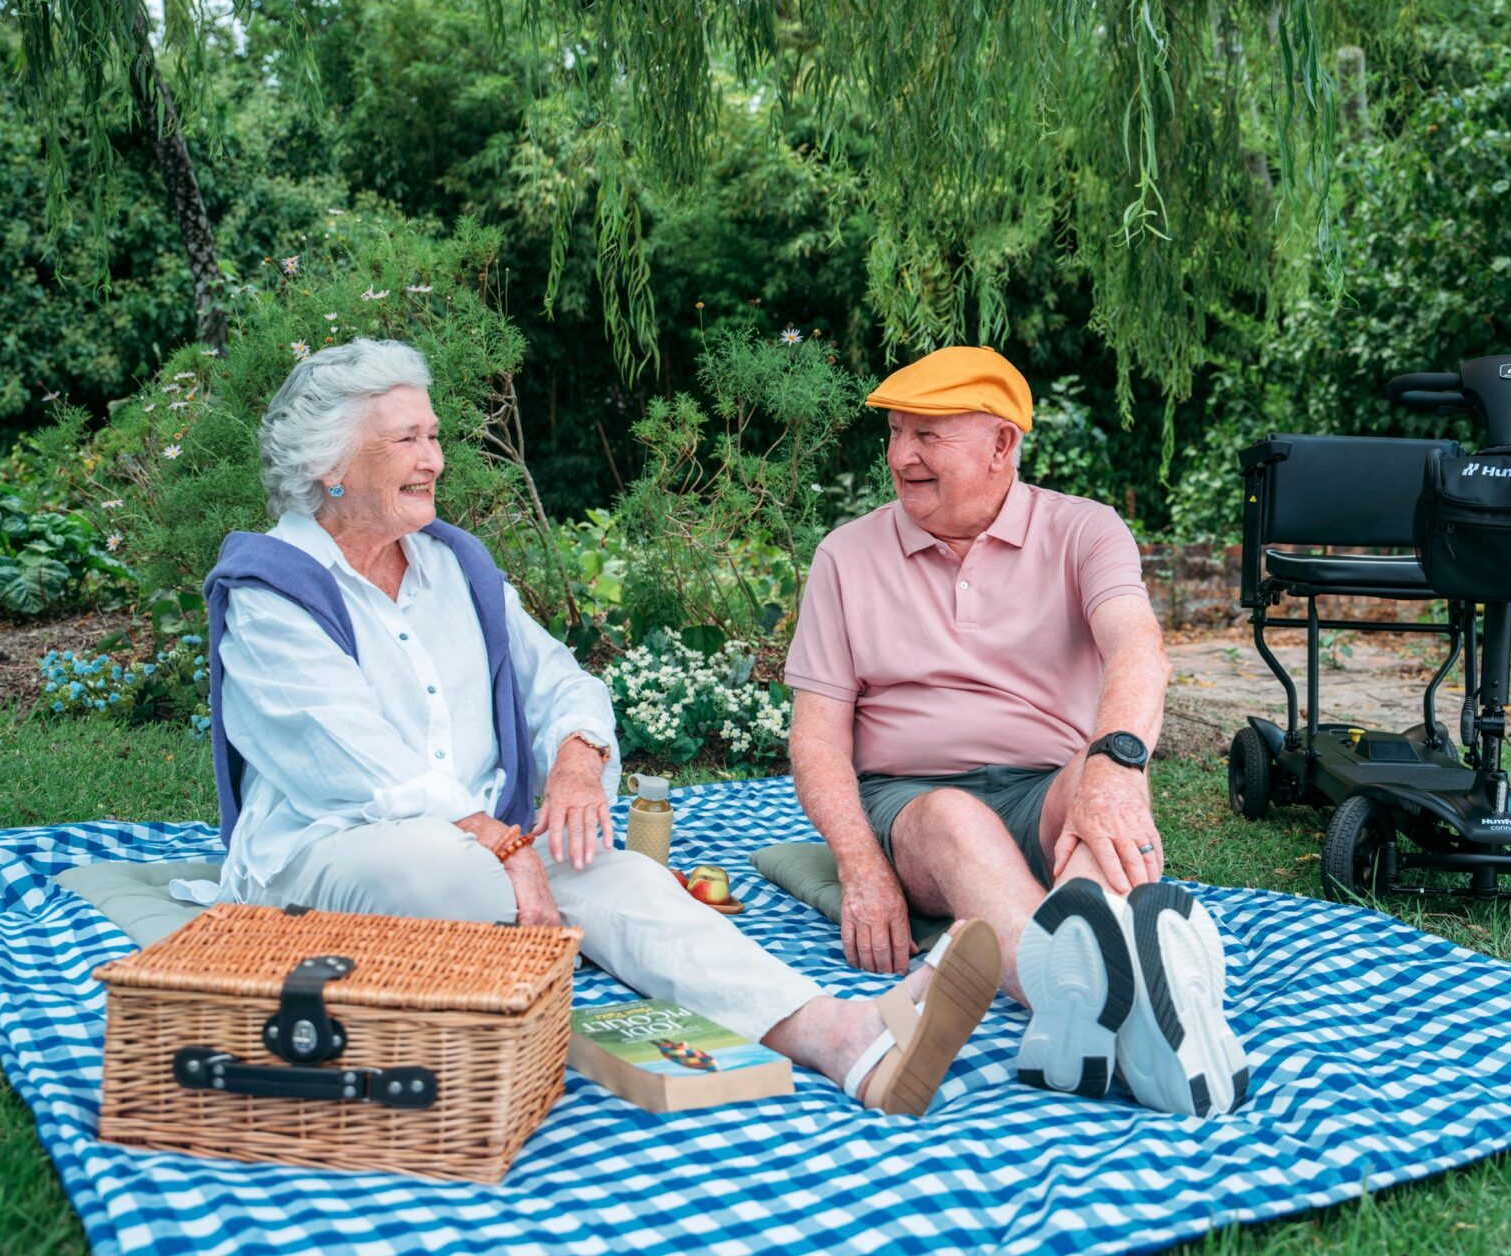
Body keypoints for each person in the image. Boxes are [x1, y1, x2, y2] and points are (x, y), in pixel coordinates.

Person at [185, 338, 999, 1116]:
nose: (434, 459)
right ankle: (504, 966)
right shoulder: (271, 590)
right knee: (435, 873)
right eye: (407, 440)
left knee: (622, 877)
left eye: (433, 436)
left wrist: (576, 763)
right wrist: (503, 845)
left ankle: (843, 1038)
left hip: (490, 846)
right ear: (328, 466)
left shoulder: (453, 564)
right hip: (336, 851)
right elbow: (351, 762)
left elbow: (559, 681)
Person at [785, 346, 1248, 1115]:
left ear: (1002, 444)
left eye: (927, 436)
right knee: (955, 819)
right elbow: (817, 739)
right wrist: (861, 866)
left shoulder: (1084, 530)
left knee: (1102, 802)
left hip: (1048, 789)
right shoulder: (846, 556)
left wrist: (1115, 770)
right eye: (895, 433)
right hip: (915, 803)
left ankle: (1092, 1013)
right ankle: (1150, 1008)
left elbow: (1138, 649)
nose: (900, 457)